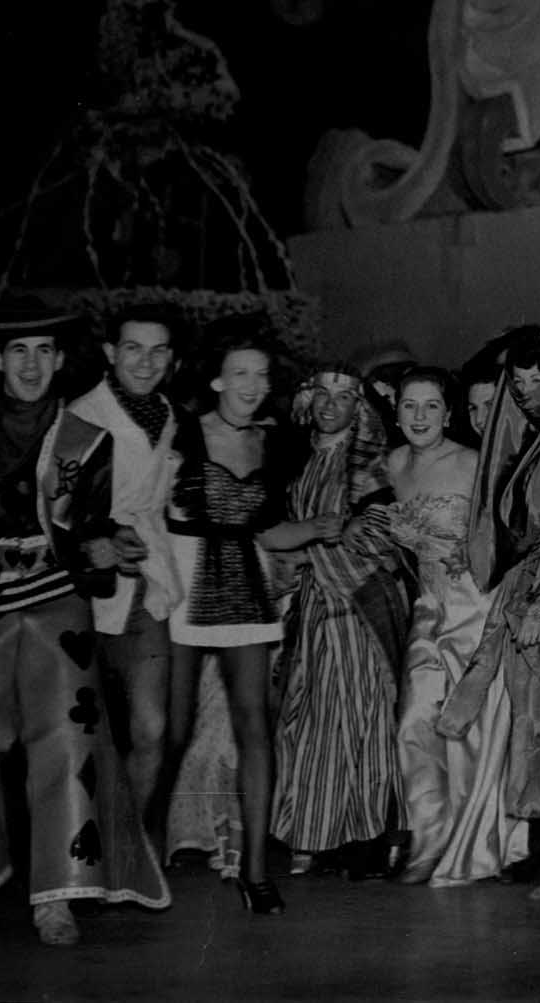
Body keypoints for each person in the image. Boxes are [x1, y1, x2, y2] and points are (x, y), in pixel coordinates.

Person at [0, 297, 169, 946]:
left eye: (43, 351)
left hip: (59, 601)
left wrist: (105, 547)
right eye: (18, 351)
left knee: (67, 740)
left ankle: (55, 896)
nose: (31, 364)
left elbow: (90, 529)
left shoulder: (90, 441)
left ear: (59, 360)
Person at [163, 328, 316, 913]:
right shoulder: (179, 430)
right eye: (242, 373)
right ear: (217, 379)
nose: (254, 386)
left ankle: (256, 871)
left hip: (246, 593)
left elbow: (269, 529)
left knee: (255, 728)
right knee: (170, 734)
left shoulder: (271, 444)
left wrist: (326, 528)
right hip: (182, 590)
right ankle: (146, 858)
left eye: (262, 375)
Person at [446, 326, 540, 901]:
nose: (528, 390)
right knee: (537, 737)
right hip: (523, 599)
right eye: (520, 381)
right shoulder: (516, 445)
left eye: (539, 378)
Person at [373, 366, 529, 885]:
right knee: (412, 721)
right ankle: (428, 838)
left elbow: (505, 540)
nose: (419, 417)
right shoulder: (391, 465)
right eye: (410, 406)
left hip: (474, 608)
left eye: (431, 406)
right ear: (395, 411)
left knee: (469, 734)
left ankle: (479, 845)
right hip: (427, 608)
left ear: (449, 412)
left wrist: (468, 554)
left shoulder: (472, 463)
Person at [271, 364, 411, 878]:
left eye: (345, 395)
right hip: (311, 609)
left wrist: (316, 543)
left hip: (356, 610)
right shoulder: (296, 456)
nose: (332, 404)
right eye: (323, 393)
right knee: (307, 717)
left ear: (361, 407)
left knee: (362, 721)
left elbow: (376, 532)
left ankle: (367, 835)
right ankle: (309, 831)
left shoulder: (370, 465)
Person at [66, 304, 184, 858]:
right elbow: (57, 513)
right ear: (110, 353)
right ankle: (75, 856)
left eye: (158, 349)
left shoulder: (167, 413)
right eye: (133, 348)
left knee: (151, 730)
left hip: (147, 590)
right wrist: (102, 537)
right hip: (83, 595)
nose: (146, 360)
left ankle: (125, 853)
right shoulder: (79, 417)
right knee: (83, 737)